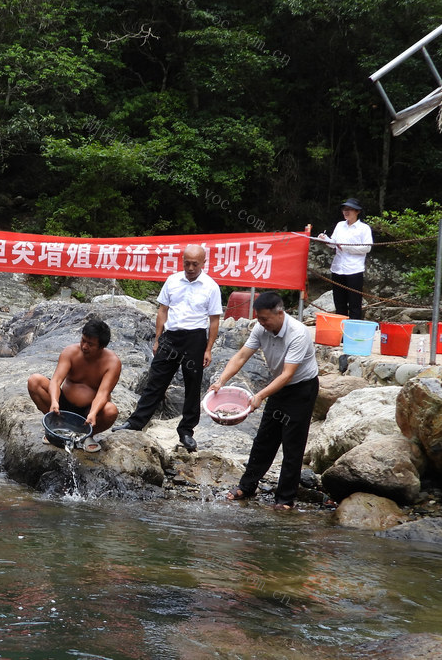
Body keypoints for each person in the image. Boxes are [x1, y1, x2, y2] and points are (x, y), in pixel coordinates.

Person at [209, 292, 319, 511]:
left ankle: (285, 499)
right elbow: (241, 356)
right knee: (264, 440)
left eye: (265, 319)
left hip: (301, 389)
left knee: (292, 444)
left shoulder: (298, 333)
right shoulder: (261, 328)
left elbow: (288, 374)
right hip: (278, 385)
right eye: (258, 318)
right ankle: (247, 486)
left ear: (280, 313)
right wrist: (221, 380)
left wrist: (259, 395)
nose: (261, 323)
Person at [113, 244, 222, 452]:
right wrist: (157, 338)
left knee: (192, 385)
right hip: (171, 337)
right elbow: (163, 310)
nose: (190, 267)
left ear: (203, 263)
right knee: (156, 380)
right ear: (182, 261)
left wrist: (208, 349)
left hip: (195, 338)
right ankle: (136, 422)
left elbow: (214, 321)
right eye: (186, 263)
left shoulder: (211, 287)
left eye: (194, 264)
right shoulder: (173, 280)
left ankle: (186, 431)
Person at [26, 319, 121, 449]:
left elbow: (103, 393)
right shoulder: (70, 352)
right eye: (83, 340)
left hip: (89, 411)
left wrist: (93, 413)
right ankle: (55, 426)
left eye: (90, 344)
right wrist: (54, 401)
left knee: (111, 411)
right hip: (62, 405)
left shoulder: (112, 363)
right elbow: (56, 380)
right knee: (34, 380)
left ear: (101, 347)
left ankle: (86, 435)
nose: (84, 346)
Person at [317, 197, 373, 320]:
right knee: (339, 303)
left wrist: (346, 247)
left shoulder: (364, 228)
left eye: (350, 209)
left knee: (354, 304)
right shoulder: (340, 225)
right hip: (338, 268)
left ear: (357, 211)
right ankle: (340, 334)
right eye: (344, 209)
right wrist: (325, 239)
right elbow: (334, 243)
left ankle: (353, 333)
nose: (346, 212)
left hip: (354, 269)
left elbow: (367, 248)